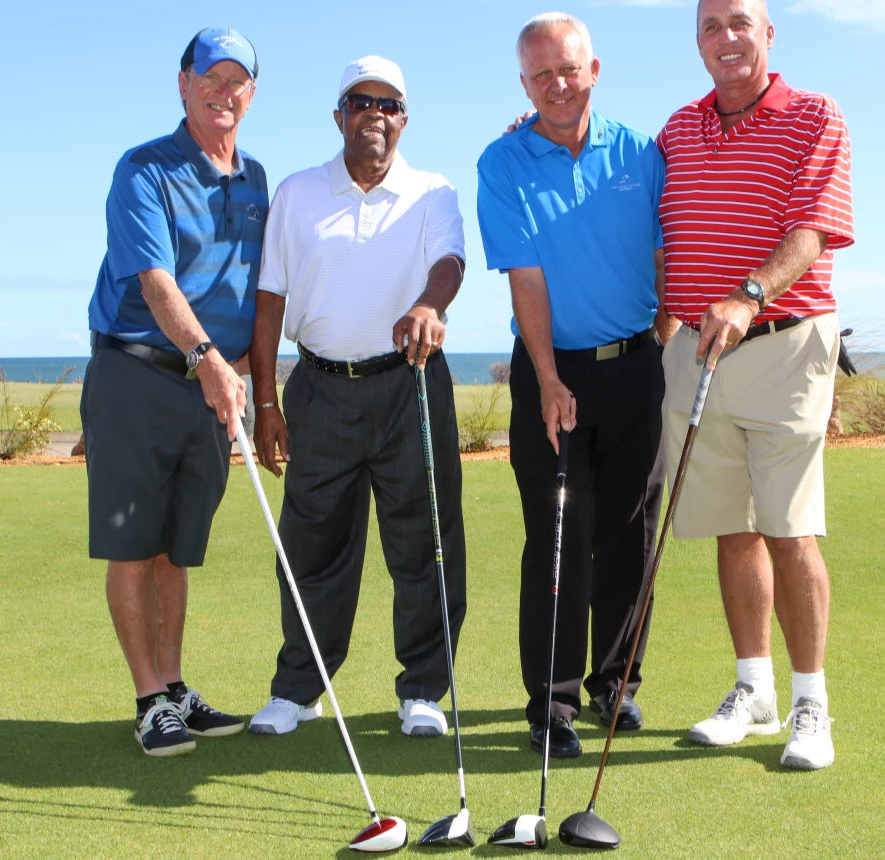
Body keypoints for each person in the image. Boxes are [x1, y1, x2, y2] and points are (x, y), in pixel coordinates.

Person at [246, 56, 468, 740]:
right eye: (360, 102)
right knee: (311, 546)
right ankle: (300, 688)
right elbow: (269, 301)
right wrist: (267, 404)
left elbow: (450, 263)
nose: (375, 114)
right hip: (318, 388)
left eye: (389, 104)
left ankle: (424, 690)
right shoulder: (297, 193)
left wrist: (431, 304)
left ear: (404, 119)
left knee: (425, 544)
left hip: (410, 383)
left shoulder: (434, 191)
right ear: (338, 115)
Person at [657, 0, 854, 770]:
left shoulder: (813, 114)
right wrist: (531, 132)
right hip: (698, 352)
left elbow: (810, 229)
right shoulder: (678, 129)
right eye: (711, 26)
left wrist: (748, 296)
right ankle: (755, 691)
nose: (726, 37)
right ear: (698, 44)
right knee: (732, 528)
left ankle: (812, 706)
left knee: (789, 528)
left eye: (741, 21)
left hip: (783, 341)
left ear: (769, 34)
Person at [477, 13, 667, 758]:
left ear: (594, 69)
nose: (556, 85)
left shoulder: (642, 153)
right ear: (524, 84)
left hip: (635, 367)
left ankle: (616, 684)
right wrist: (551, 380)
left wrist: (658, 346)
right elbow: (526, 280)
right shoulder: (503, 161)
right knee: (557, 535)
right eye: (540, 75)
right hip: (550, 370)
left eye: (568, 69)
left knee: (629, 533)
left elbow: (663, 256)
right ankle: (551, 704)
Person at [82, 28, 265, 757]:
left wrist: (249, 375)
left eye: (237, 81)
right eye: (210, 78)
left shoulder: (255, 180)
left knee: (177, 551)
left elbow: (259, 288)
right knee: (134, 545)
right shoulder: (144, 170)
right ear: (183, 83)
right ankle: (147, 698)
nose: (224, 92)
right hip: (139, 374)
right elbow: (157, 283)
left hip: (209, 391)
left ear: (252, 93)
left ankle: (175, 685)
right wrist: (211, 359)